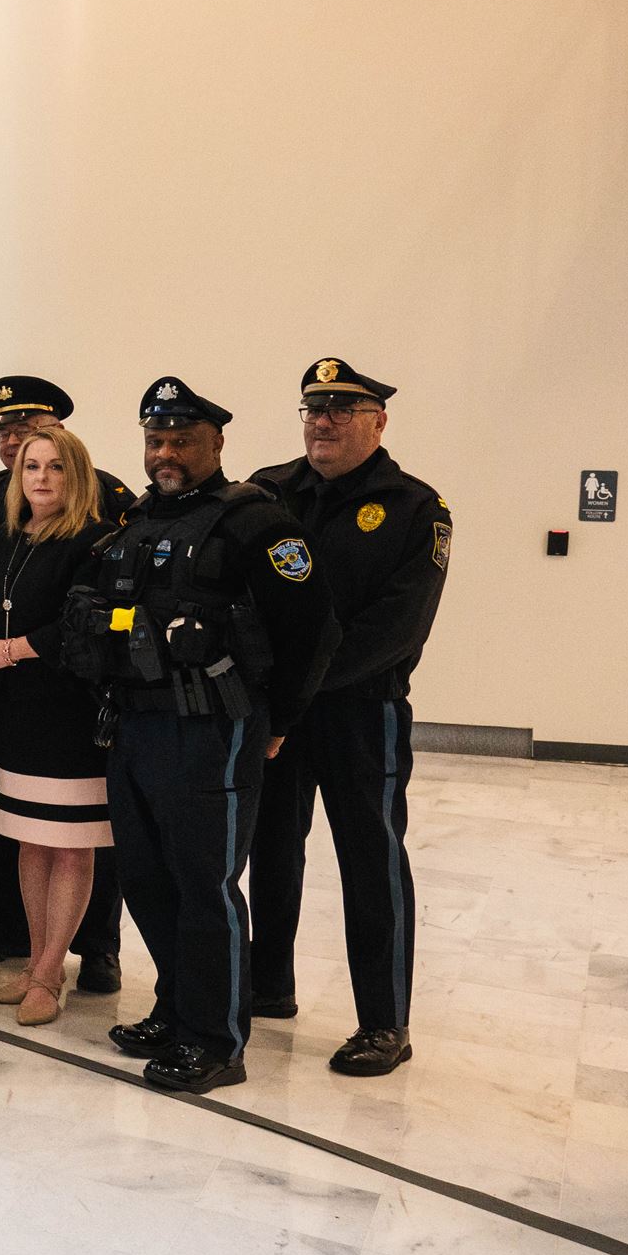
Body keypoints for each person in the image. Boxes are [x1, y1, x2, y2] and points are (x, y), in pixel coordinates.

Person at [61, 377, 335, 1094]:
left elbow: (312, 633)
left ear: (217, 443)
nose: (166, 452)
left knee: (204, 886)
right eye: (156, 440)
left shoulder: (256, 525)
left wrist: (280, 722)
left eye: (182, 439)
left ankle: (217, 1041)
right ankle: (176, 1007)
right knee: (149, 881)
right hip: (137, 728)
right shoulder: (138, 521)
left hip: (215, 730)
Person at [247, 358, 448, 1076]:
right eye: (313, 407)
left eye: (341, 407)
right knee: (271, 848)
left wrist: (298, 682)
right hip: (281, 712)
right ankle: (266, 986)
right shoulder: (268, 491)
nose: (322, 420)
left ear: (378, 421)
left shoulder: (414, 507)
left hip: (362, 712)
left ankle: (384, 1023)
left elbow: (395, 626)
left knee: (371, 861)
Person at [0, 376, 135, 990]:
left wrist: (14, 650)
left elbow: (103, 612)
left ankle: (96, 947)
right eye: (6, 433)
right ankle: (13, 932)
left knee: (80, 838)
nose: (19, 448)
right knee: (12, 829)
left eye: (32, 435)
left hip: (70, 707)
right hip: (6, 703)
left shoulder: (104, 502)